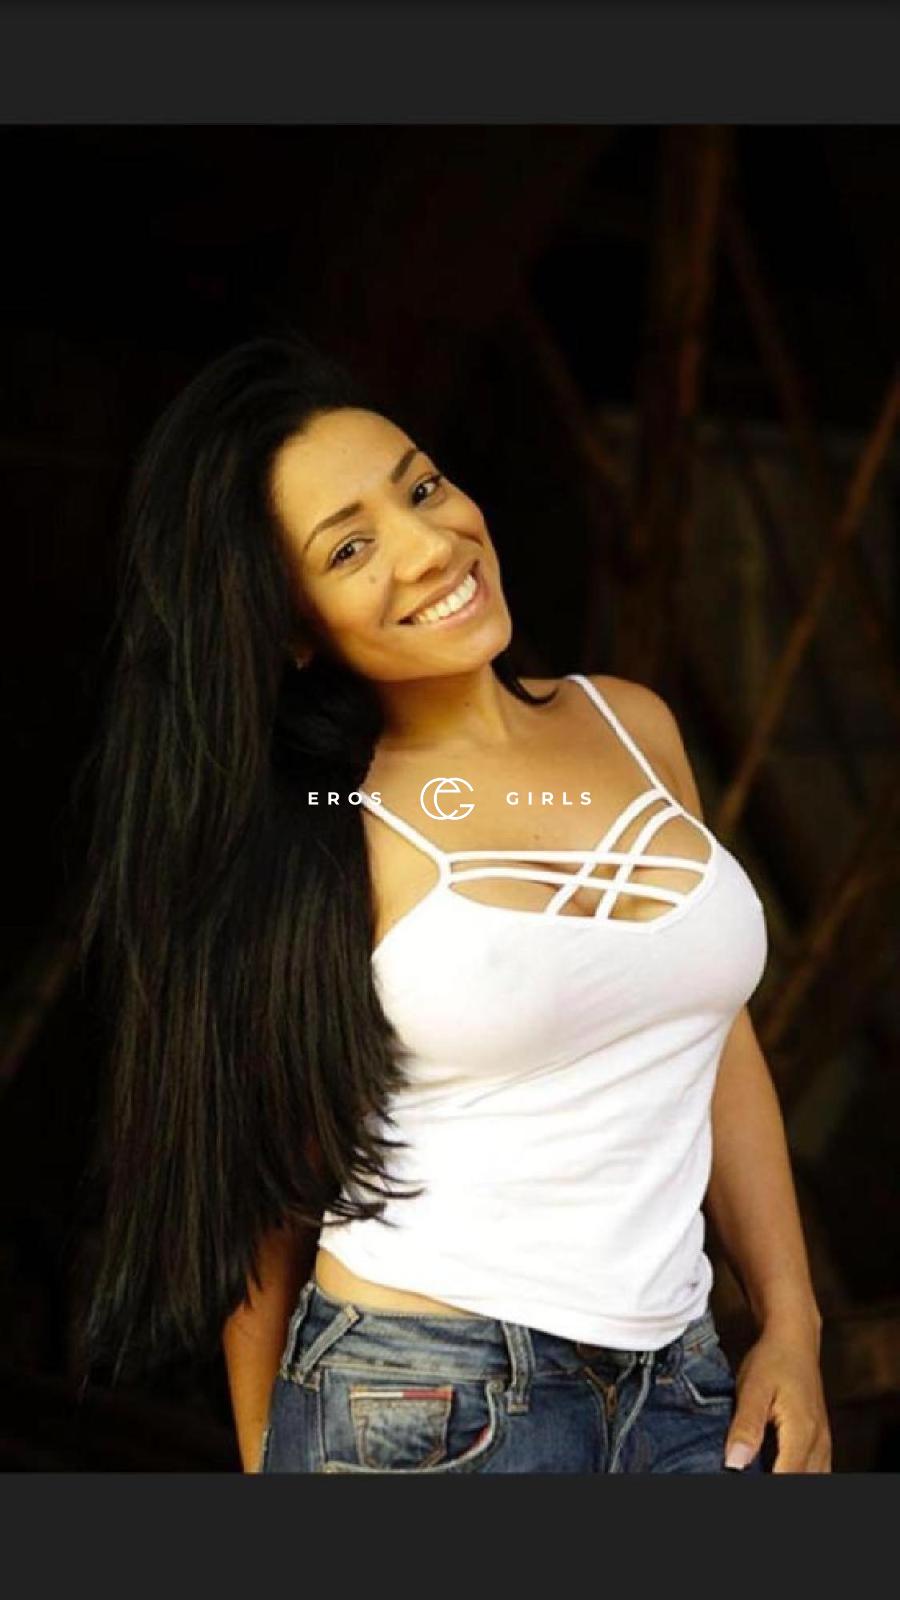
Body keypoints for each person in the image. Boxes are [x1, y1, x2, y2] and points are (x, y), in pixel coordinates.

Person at [75, 333, 831, 1475]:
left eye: (421, 488)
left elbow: (709, 1032)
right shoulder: (325, 823)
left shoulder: (634, 725)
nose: (431, 546)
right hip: (418, 1402)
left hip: (682, 1385)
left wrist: (791, 1319)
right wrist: (263, 1458)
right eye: (351, 547)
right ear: (293, 626)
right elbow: (265, 1183)